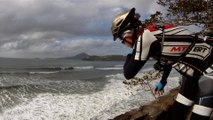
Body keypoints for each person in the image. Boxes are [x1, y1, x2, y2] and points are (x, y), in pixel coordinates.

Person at [111, 8, 213, 120]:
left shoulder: (146, 37)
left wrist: (129, 55)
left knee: (199, 116)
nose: (123, 43)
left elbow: (128, 73)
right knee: (177, 112)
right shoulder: (154, 32)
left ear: (128, 34)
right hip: (194, 72)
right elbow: (169, 59)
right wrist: (163, 81)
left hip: (209, 71)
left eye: (122, 39)